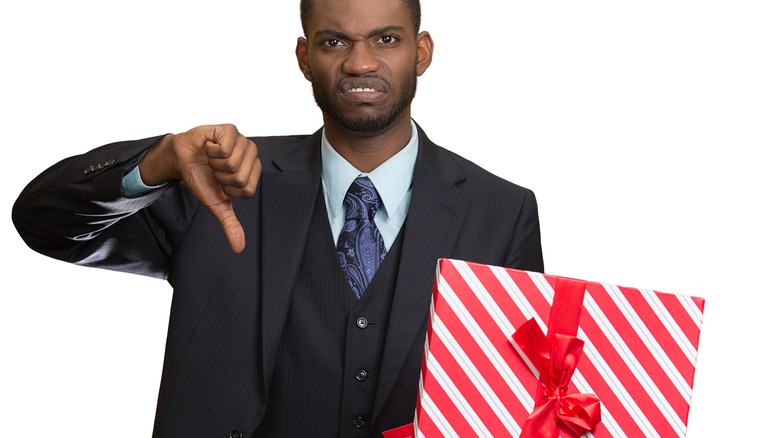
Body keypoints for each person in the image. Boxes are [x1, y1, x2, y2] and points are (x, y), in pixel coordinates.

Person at [12, 0, 543, 436]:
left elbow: (528, 399)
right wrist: (159, 161)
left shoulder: (503, 212)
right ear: (303, 56)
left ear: (422, 52)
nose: (360, 64)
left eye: (386, 39)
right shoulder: (218, 180)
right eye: (334, 41)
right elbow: (43, 223)